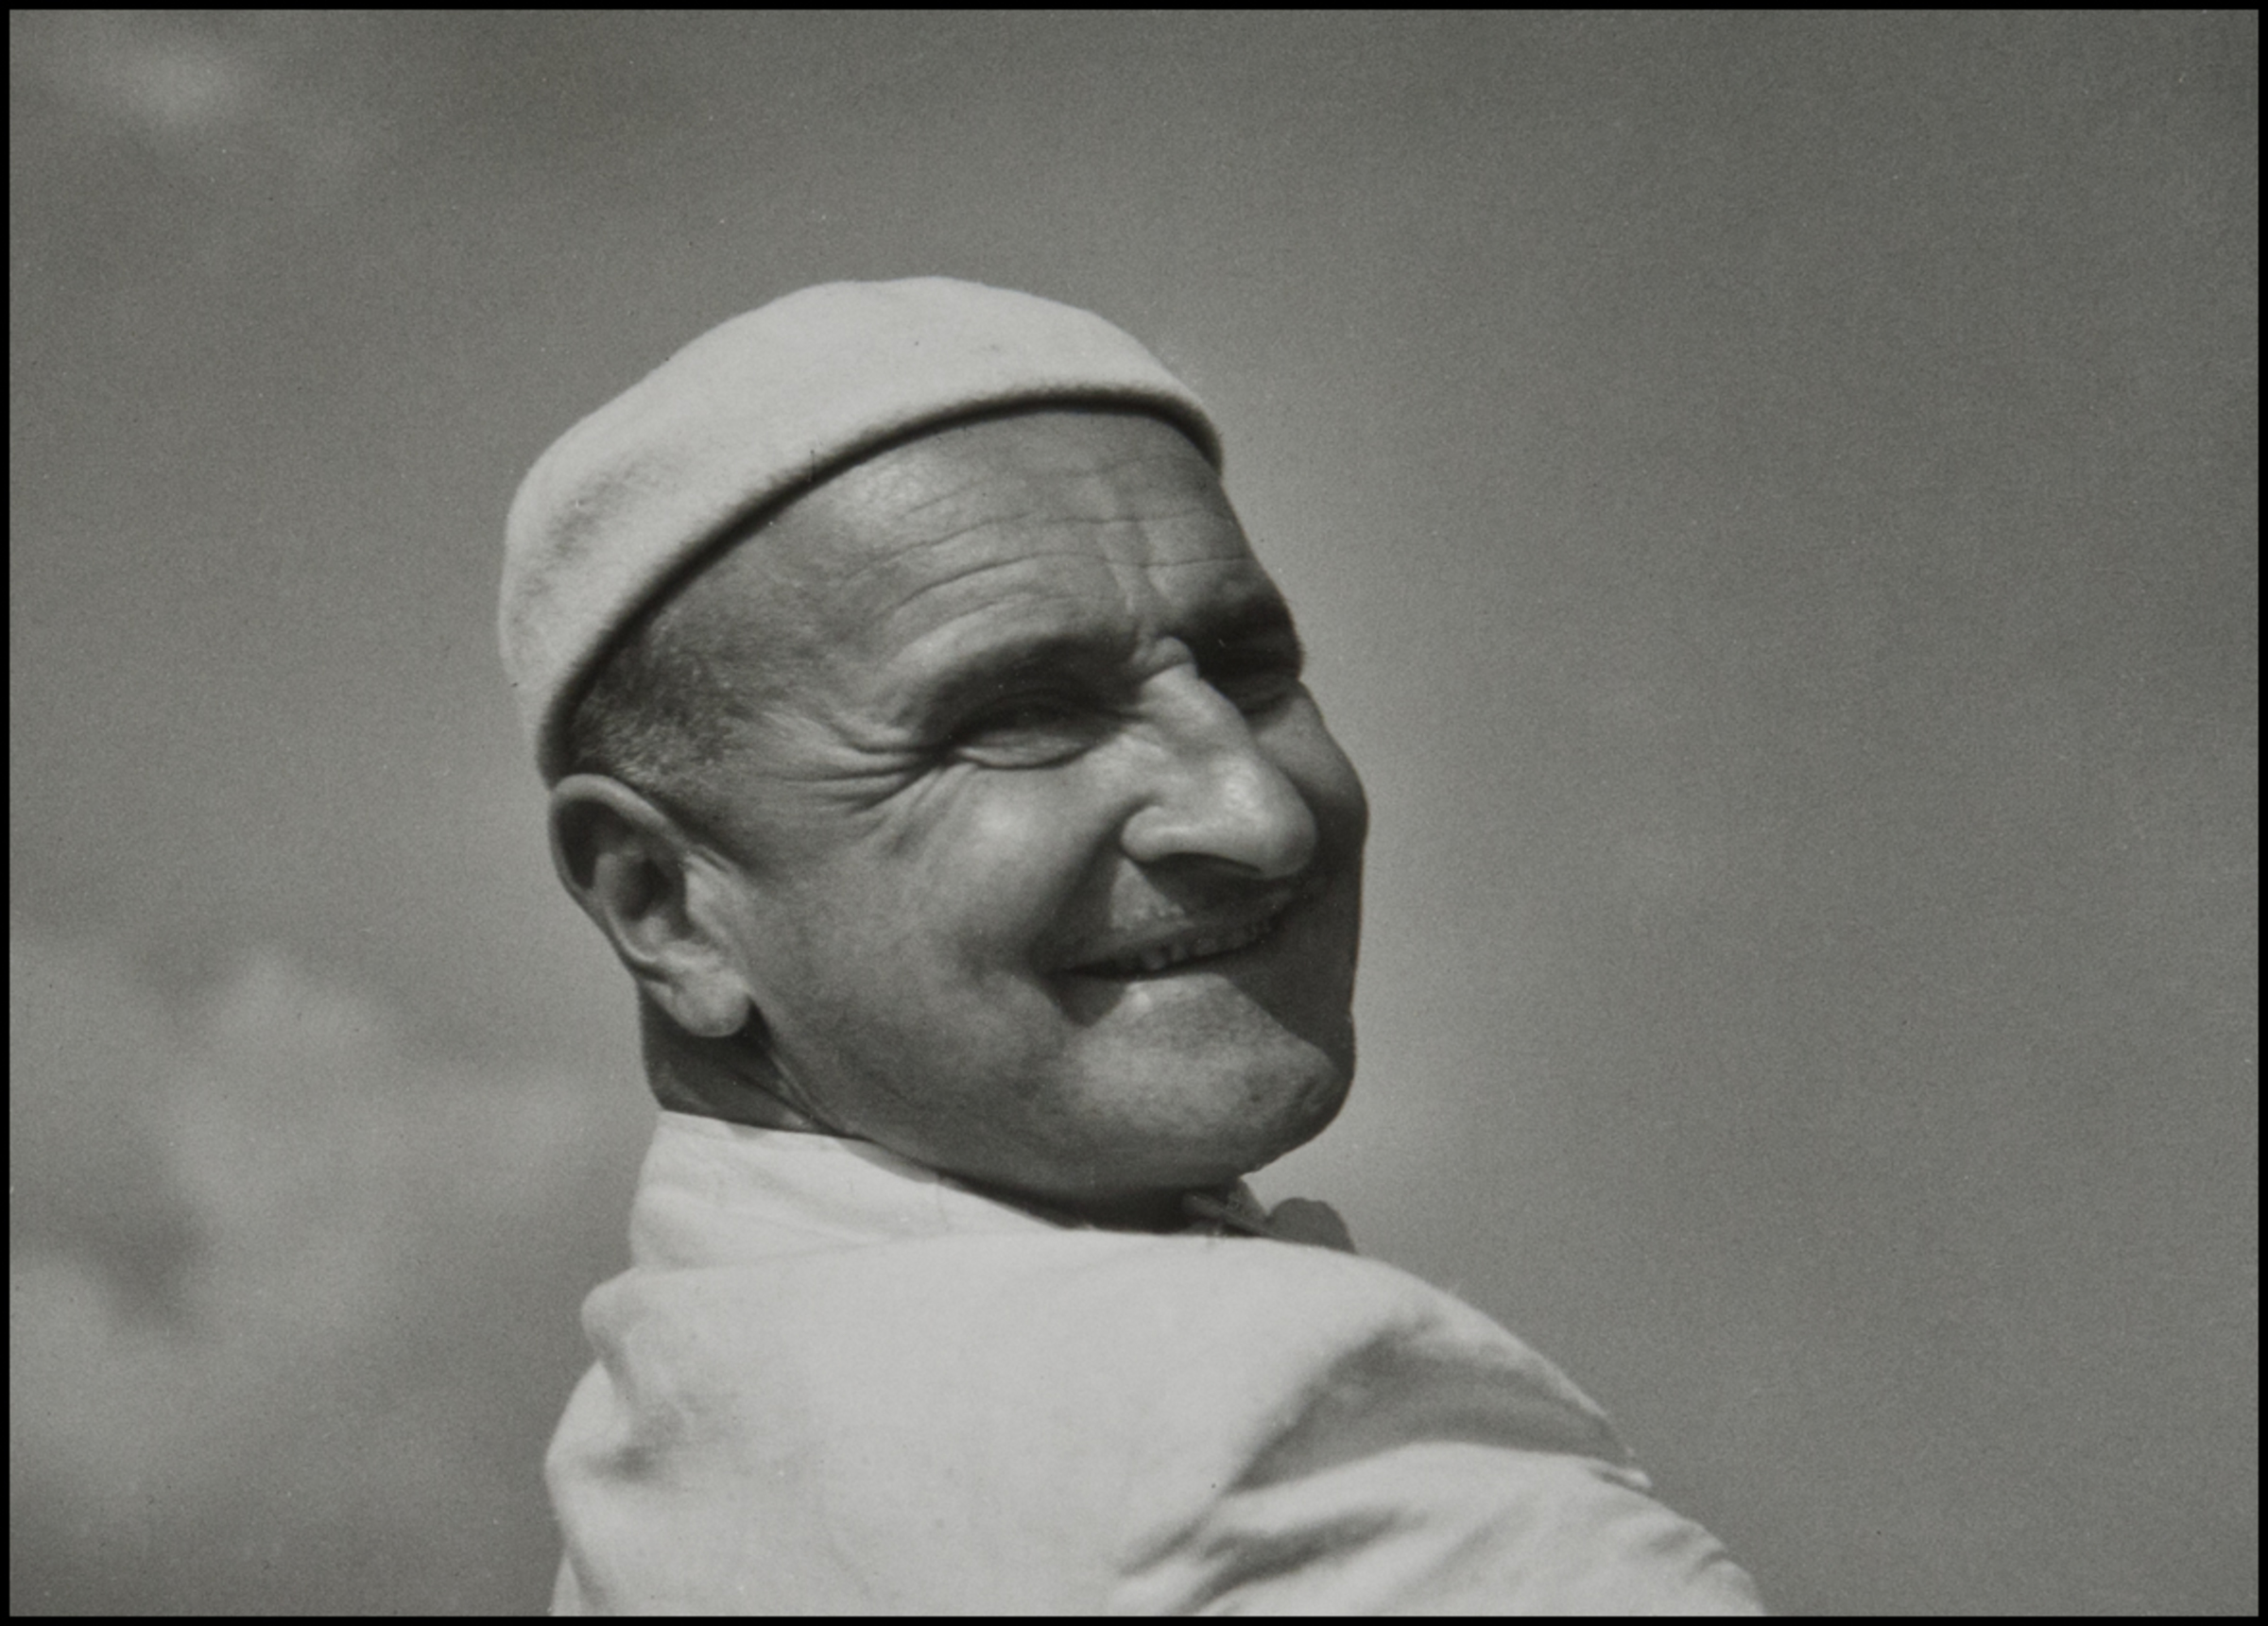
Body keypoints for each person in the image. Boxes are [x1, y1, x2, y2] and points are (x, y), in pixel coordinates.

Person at [502, 278, 1764, 1614]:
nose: (1260, 816)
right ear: (664, 902)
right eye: (1022, 718)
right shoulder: (1260, 1441)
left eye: (1249, 672)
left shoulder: (673, 1447)